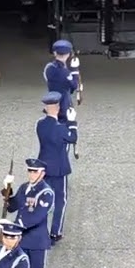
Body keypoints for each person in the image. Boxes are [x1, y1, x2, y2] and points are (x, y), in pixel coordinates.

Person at [3, 159, 54, 268]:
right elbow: (13, 206)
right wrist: (7, 192)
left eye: (35, 172)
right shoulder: (25, 187)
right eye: (30, 171)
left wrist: (17, 226)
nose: (31, 174)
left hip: (36, 240)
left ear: (42, 173)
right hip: (21, 240)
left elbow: (37, 216)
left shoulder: (46, 193)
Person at [36, 91, 78, 243]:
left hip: (44, 166)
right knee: (60, 200)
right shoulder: (60, 129)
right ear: (58, 107)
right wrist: (72, 123)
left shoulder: (40, 125)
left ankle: (41, 229)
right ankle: (55, 231)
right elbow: (72, 138)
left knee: (44, 198)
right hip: (59, 168)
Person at [43, 40, 80, 122]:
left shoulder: (49, 67)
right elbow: (74, 85)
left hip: (52, 99)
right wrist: (75, 71)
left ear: (55, 53)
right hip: (63, 103)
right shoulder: (65, 72)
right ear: (68, 54)